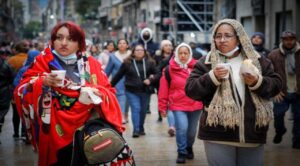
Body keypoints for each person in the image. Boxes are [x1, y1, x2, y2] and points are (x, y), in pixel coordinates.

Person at [14, 21, 124, 166]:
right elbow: (20, 90)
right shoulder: (42, 61)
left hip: (88, 132)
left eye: (71, 39)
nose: (64, 43)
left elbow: (109, 91)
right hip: (54, 133)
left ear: (80, 43)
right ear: (53, 40)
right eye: (59, 38)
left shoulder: (91, 63)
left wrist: (96, 94)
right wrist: (42, 82)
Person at [185, 19, 282, 166]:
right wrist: (212, 77)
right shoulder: (206, 62)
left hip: (252, 133)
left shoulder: (258, 60)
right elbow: (191, 90)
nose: (222, 40)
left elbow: (276, 85)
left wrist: (257, 82)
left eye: (227, 35)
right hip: (217, 134)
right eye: (218, 36)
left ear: (239, 37)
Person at [158, 43, 203, 164]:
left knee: (192, 132)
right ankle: (181, 152)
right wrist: (162, 107)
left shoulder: (198, 67)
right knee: (182, 128)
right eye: (180, 53)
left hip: (196, 104)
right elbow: (163, 90)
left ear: (190, 54)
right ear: (176, 54)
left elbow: (204, 85)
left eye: (186, 53)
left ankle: (189, 147)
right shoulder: (168, 69)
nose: (183, 55)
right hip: (178, 105)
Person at [111, 44, 157, 138]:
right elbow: (118, 75)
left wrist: (151, 80)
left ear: (144, 52)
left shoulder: (150, 62)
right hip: (131, 90)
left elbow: (158, 73)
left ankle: (141, 127)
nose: (139, 52)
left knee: (143, 110)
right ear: (133, 52)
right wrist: (109, 86)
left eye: (141, 50)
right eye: (137, 50)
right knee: (136, 108)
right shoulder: (127, 63)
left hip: (145, 91)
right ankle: (135, 130)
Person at [268, 30, 300, 149]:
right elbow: (269, 75)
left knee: (298, 118)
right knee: (278, 115)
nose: (289, 42)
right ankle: (280, 131)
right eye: (286, 39)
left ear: (295, 40)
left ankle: (297, 141)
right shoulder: (273, 55)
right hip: (281, 92)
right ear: (282, 40)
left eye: (291, 39)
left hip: (298, 92)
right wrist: (274, 91)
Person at [105, 39, 131, 124]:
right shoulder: (113, 56)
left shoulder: (131, 55)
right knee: (121, 97)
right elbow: (108, 70)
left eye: (124, 43)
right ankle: (122, 115)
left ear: (127, 45)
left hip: (130, 81)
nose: (122, 45)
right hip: (118, 82)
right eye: (120, 43)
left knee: (127, 99)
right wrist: (104, 80)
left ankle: (126, 114)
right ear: (117, 45)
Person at [7, 41, 29, 139]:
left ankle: (16, 133)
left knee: (16, 113)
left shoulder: (11, 60)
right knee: (25, 112)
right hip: (26, 90)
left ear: (16, 50)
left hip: (14, 90)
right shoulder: (29, 60)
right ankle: (24, 133)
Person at [0, 57, 15, 144]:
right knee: (2, 111)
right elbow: (11, 78)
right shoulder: (5, 64)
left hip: (4, 90)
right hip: (3, 91)